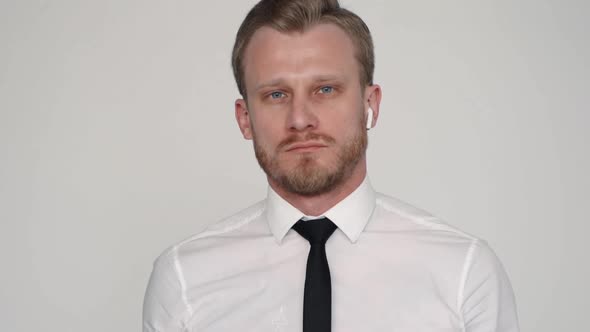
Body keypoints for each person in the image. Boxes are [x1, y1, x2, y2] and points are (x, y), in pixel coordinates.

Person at [142, 0, 519, 331]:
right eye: (276, 94)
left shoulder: (464, 272)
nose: (301, 118)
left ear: (370, 104)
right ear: (244, 118)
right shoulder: (183, 279)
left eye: (325, 90)